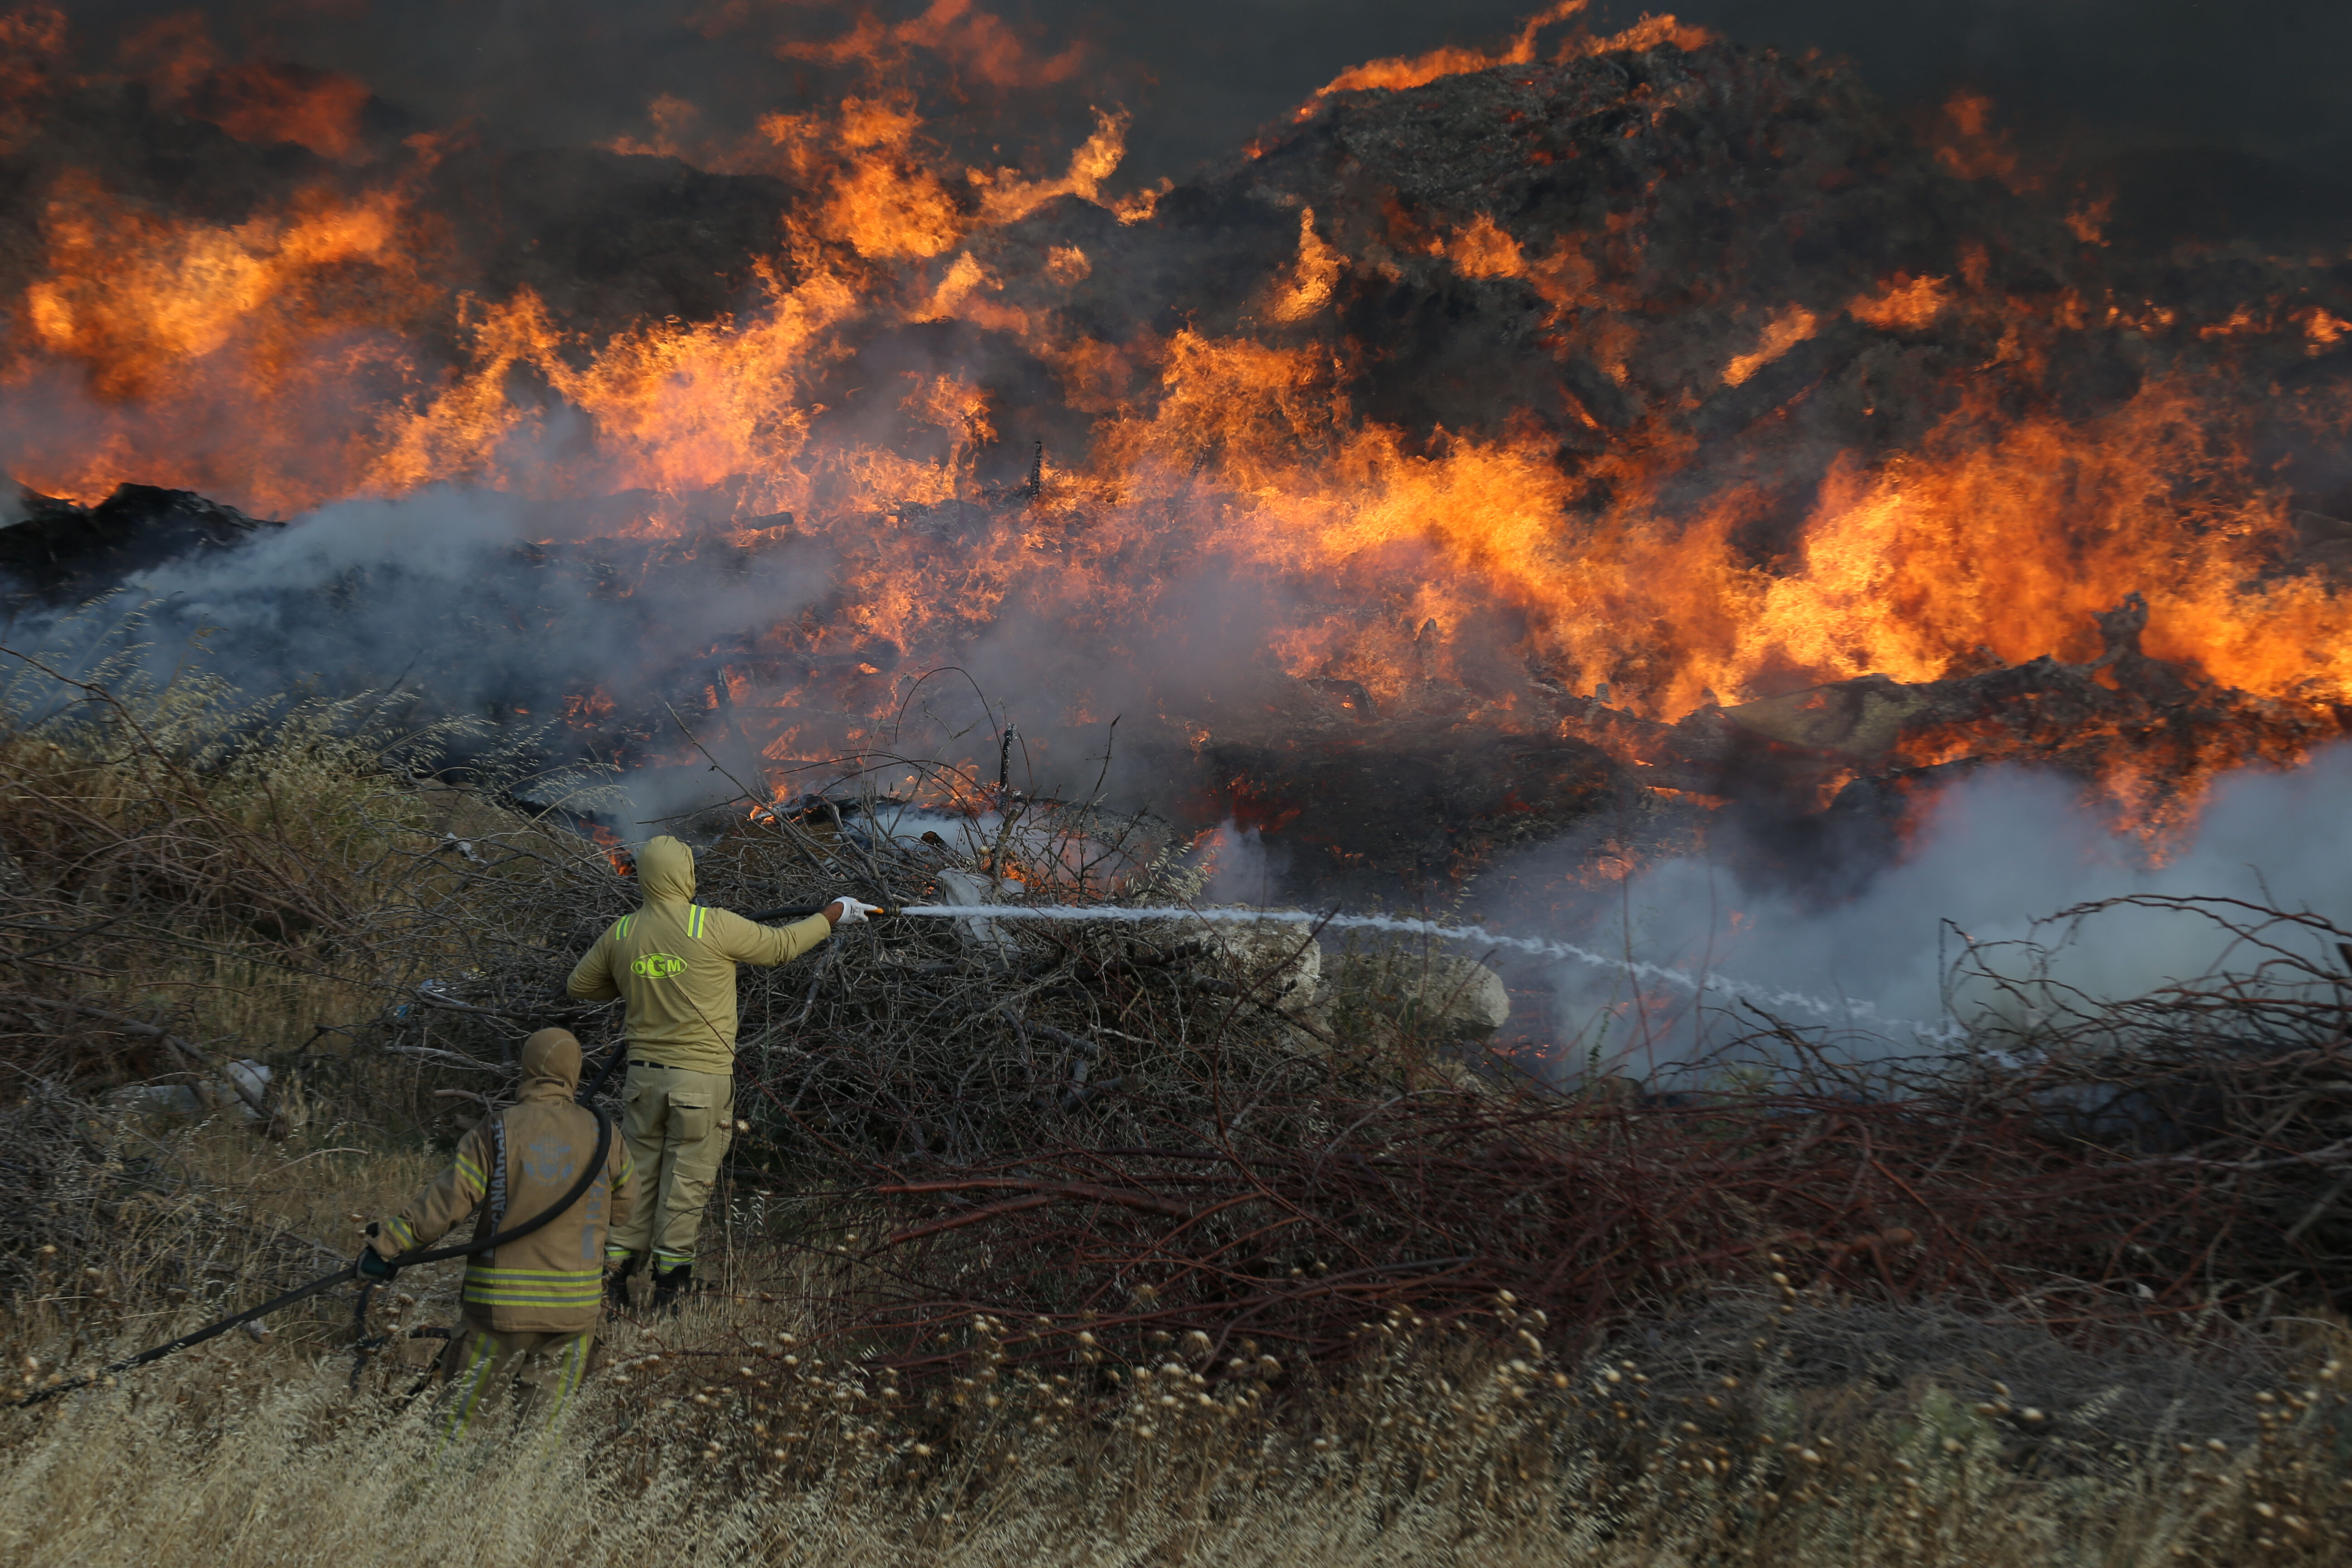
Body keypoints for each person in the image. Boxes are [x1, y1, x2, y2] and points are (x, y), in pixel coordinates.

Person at [566, 834, 874, 1309]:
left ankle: (612, 1283)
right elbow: (782, 945)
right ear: (686, 875)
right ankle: (669, 1289)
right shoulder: (710, 925)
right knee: (686, 1184)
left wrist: (638, 981)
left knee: (637, 1180)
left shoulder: (623, 933)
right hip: (700, 1082)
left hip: (642, 1083)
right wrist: (834, 914)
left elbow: (581, 987)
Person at [358, 1027, 631, 1437]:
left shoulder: (499, 1131)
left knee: (458, 1428)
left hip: (499, 1313)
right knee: (539, 1441)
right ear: (574, 1072)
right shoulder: (606, 1136)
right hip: (574, 1316)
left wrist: (386, 1246)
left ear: (528, 1069)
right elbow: (626, 1212)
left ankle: (437, 1496)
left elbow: (444, 1205)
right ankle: (522, 1500)